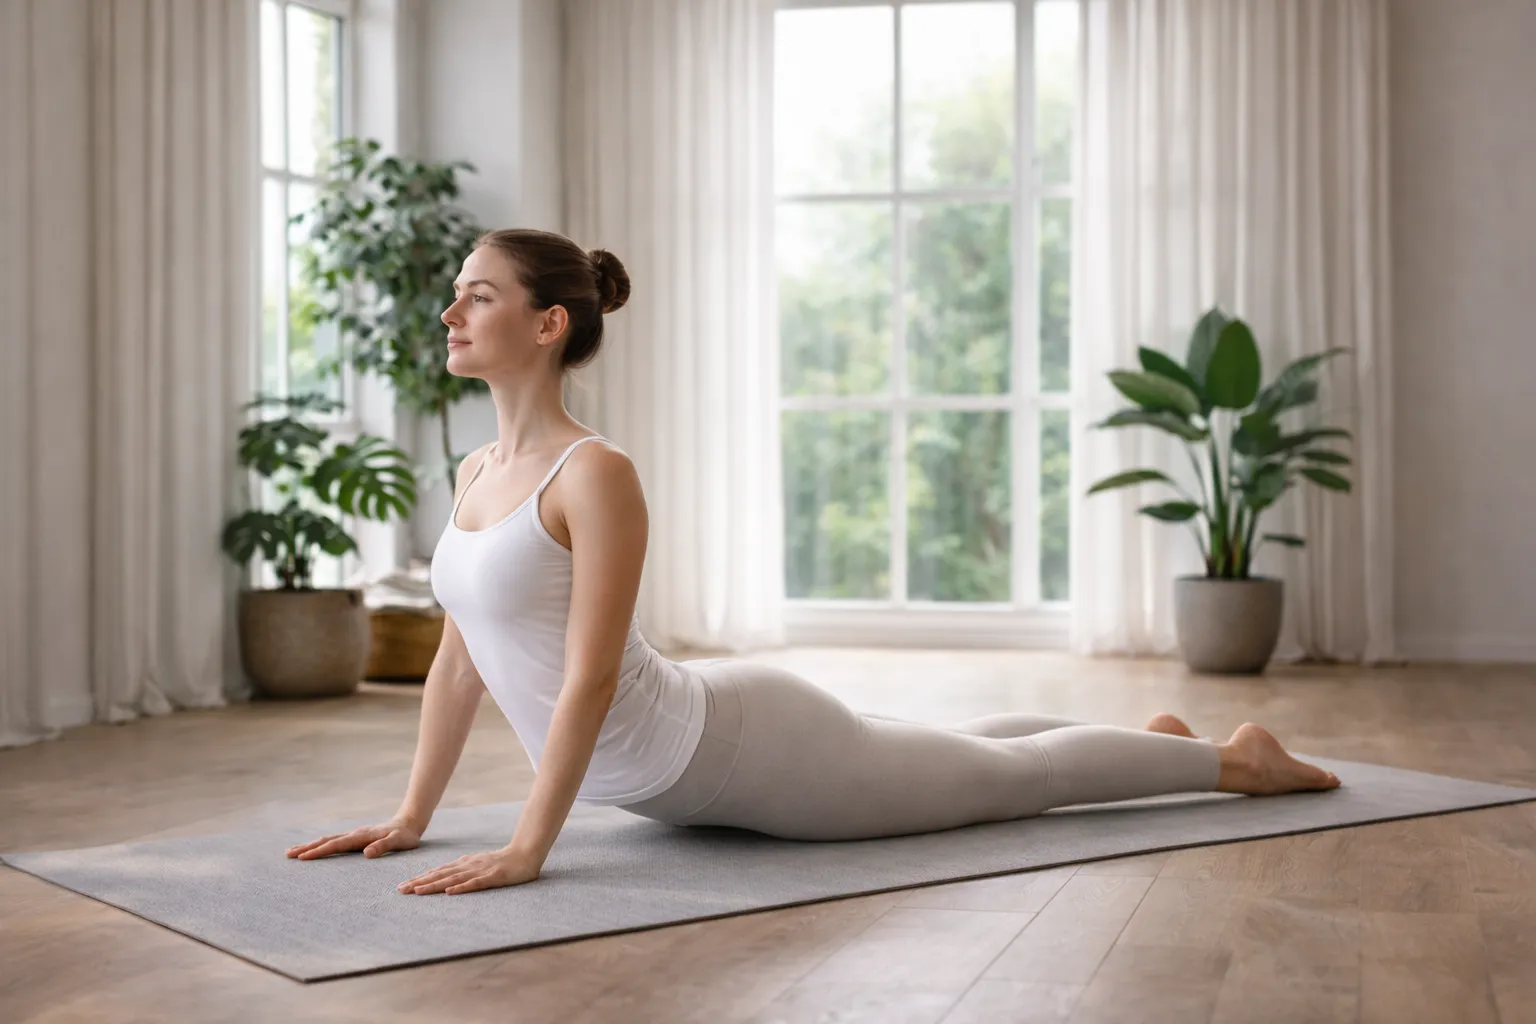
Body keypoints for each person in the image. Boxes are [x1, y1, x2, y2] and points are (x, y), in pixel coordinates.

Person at [285, 228, 1341, 896]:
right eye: (456, 293)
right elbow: (461, 662)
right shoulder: (476, 469)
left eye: (476, 294)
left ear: (548, 323)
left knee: (1009, 781)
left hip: (740, 748)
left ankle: (1232, 759)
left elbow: (593, 678)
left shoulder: (594, 473)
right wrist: (412, 815)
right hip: (689, 760)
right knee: (950, 747)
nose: (449, 311)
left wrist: (529, 846)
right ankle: (1140, 743)